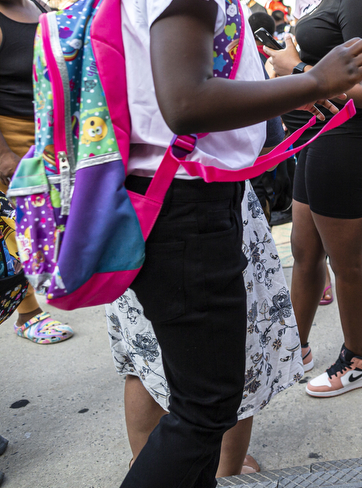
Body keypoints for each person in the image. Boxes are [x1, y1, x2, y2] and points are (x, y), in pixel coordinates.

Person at [75, 0, 362, 485]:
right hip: (187, 215)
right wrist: (315, 81)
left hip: (171, 205)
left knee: (198, 399)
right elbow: (185, 101)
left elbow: (193, 94)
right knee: (204, 407)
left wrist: (286, 108)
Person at [269, 0, 362, 398]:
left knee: (345, 263)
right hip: (318, 138)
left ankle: (358, 359)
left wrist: (297, 75)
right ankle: (293, 348)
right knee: (303, 251)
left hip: (348, 141)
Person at [108, 182, 302, 477]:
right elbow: (262, 140)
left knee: (144, 352)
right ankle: (210, 476)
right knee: (215, 398)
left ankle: (147, 463)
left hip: (129, 208)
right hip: (197, 206)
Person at [0, 0, 75, 347]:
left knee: (41, 225)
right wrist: (1, 153)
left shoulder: (36, 8)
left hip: (44, 135)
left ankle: (43, 296)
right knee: (13, 231)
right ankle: (27, 315)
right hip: (2, 137)